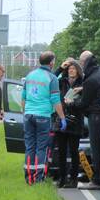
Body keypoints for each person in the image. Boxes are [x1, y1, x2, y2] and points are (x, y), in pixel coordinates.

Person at [21, 51, 66, 185]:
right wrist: (62, 118)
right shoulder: (52, 78)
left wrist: (25, 112)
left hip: (28, 115)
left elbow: (23, 97)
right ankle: (39, 178)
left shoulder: (30, 76)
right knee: (41, 148)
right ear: (51, 62)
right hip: (43, 116)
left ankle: (29, 178)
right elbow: (55, 100)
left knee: (30, 147)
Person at [73, 50, 100, 189]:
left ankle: (97, 179)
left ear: (84, 62)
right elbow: (97, 88)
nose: (81, 66)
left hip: (95, 116)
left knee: (96, 149)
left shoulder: (90, 79)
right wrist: (82, 88)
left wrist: (71, 102)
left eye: (81, 62)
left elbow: (84, 103)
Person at [54, 60, 85, 187]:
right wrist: (60, 68)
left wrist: (72, 103)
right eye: (69, 68)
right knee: (61, 151)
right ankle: (62, 178)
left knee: (73, 151)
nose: (71, 70)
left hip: (75, 120)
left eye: (74, 68)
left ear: (78, 70)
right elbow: (51, 78)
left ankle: (73, 178)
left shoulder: (83, 84)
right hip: (62, 119)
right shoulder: (62, 82)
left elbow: (84, 103)